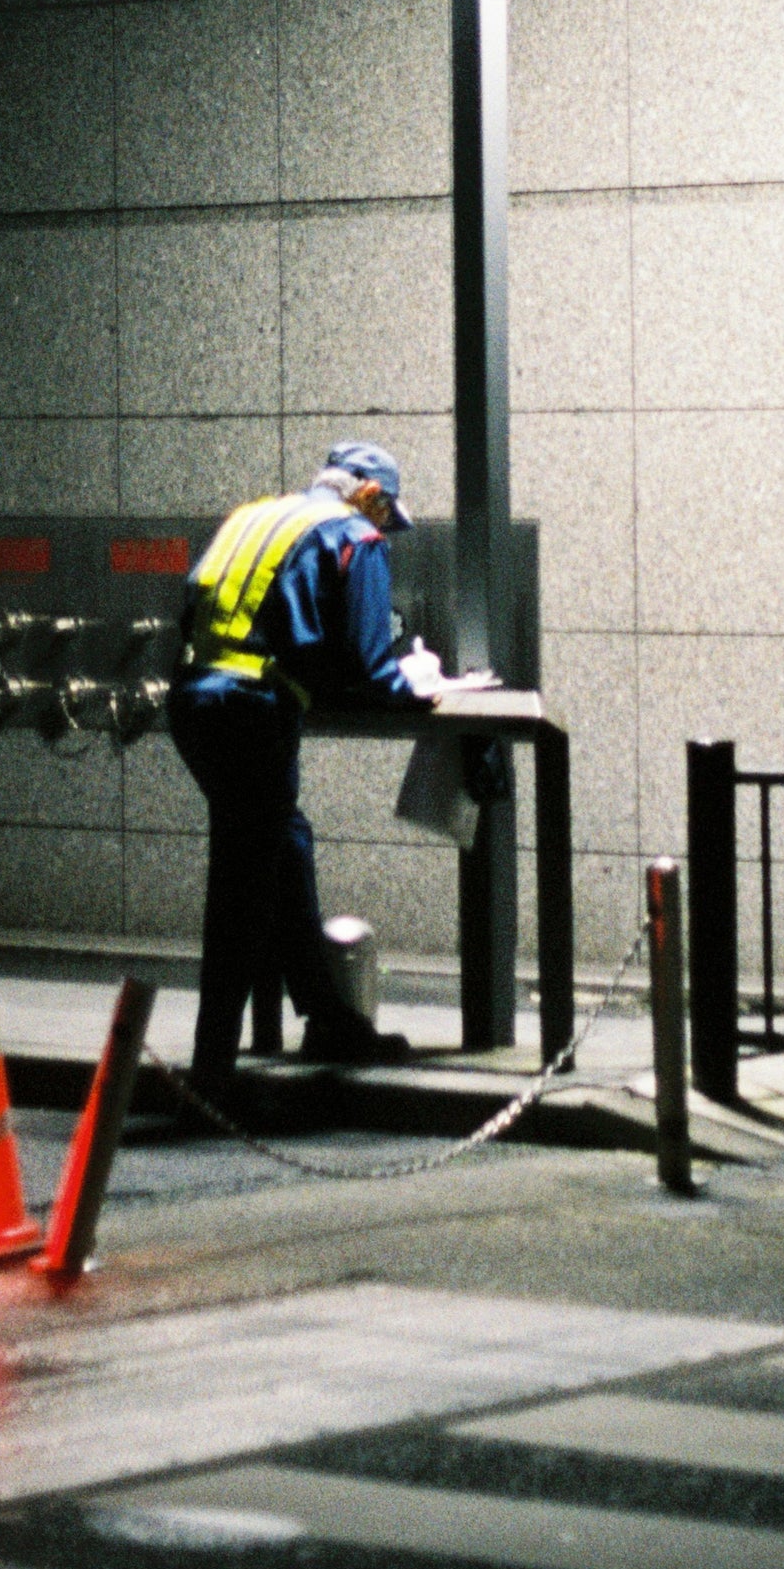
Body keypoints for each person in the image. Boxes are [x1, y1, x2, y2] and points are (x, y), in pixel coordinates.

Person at [169, 438, 469, 1090]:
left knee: (284, 846)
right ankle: (211, 1074)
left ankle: (328, 1017)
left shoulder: (253, 516)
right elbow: (370, 664)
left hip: (194, 700)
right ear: (370, 494)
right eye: (386, 510)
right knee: (243, 890)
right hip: (252, 710)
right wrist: (418, 682)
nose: (385, 526)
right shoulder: (355, 535)